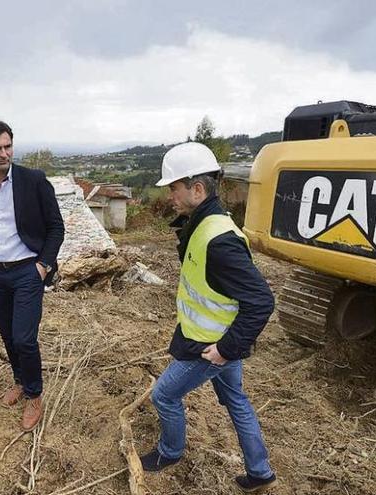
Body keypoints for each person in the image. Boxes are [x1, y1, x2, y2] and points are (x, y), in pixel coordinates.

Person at [139, 142, 278, 493]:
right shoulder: (207, 222)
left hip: (209, 345)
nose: (170, 194)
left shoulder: (219, 241)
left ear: (197, 189)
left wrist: (227, 349)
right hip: (215, 335)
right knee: (236, 399)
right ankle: (260, 471)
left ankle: (170, 452)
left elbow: (261, 301)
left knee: (164, 396)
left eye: (173, 187)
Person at [0, 120, 65, 431]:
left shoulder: (33, 181)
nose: (4, 153)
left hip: (27, 271)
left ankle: (34, 395)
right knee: (8, 335)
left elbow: (56, 227)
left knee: (24, 338)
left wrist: (42, 265)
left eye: (8, 146)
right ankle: (20, 381)